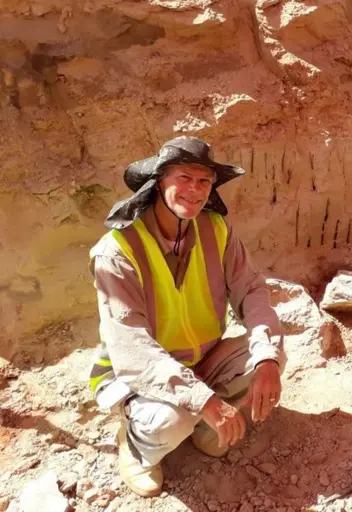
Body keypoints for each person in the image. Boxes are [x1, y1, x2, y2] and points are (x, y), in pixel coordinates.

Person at [88, 136, 285, 496]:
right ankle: (136, 444)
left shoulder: (217, 229)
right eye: (184, 178)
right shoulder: (116, 252)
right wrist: (203, 400)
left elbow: (252, 292)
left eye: (204, 181)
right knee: (172, 418)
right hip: (138, 376)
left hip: (204, 358)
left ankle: (207, 426)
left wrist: (268, 358)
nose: (194, 191)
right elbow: (133, 350)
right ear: (160, 181)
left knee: (268, 355)